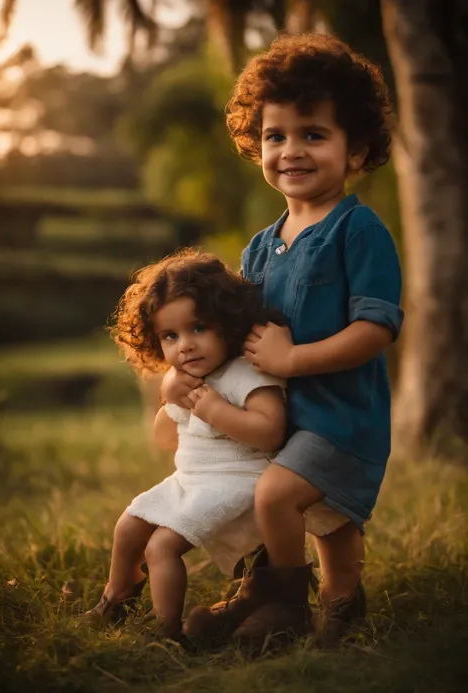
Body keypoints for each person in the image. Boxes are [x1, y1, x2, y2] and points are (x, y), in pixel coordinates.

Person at [177, 32, 404, 647]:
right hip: (284, 417)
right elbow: (233, 334)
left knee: (278, 495)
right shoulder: (260, 245)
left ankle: (282, 603)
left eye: (313, 134)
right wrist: (189, 371)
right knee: (329, 521)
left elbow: (376, 327)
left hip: (342, 417)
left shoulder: (359, 231)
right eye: (275, 136)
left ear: (356, 149)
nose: (291, 151)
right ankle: (341, 601)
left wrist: (293, 359)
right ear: (257, 146)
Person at [80, 249, 288, 640]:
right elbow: (164, 439)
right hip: (192, 479)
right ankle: (115, 598)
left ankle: (167, 630)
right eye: (170, 336)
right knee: (128, 526)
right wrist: (170, 397)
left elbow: (271, 431)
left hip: (239, 480)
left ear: (227, 324)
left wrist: (215, 410)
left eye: (198, 328)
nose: (185, 346)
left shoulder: (245, 372)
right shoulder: (183, 380)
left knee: (161, 546)